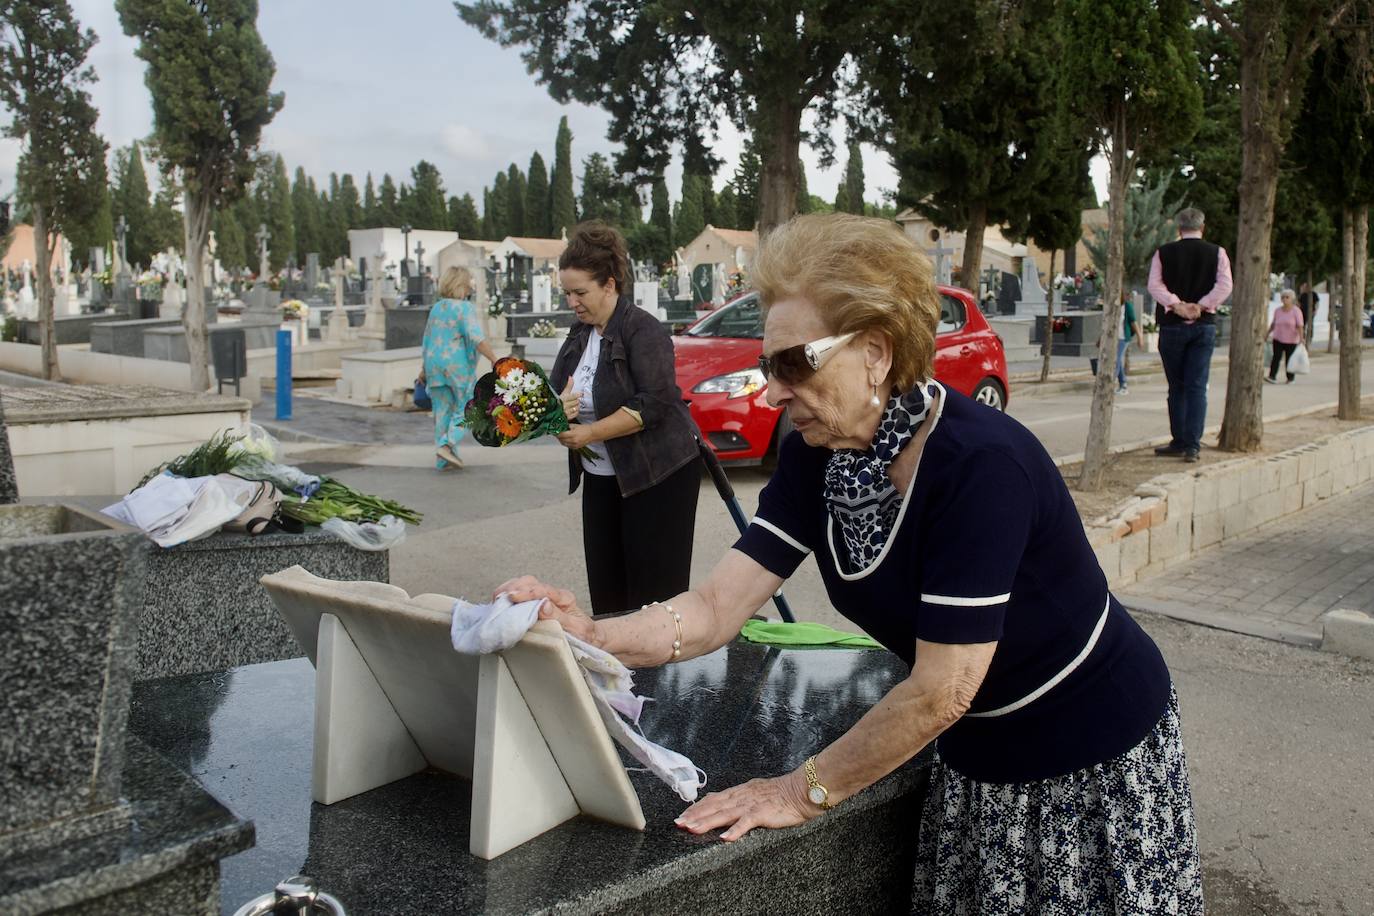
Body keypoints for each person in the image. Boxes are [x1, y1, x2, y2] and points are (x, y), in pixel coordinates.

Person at [505, 214, 1202, 914]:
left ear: (876, 351)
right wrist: (595, 633)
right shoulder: (820, 451)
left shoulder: (979, 466)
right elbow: (716, 609)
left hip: (1087, 755)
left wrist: (797, 791)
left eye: (793, 363)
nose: (773, 391)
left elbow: (941, 691)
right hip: (979, 759)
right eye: (764, 366)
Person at [549, 221, 702, 614]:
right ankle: (618, 674)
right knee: (608, 596)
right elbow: (552, 395)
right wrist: (557, 412)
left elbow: (653, 403)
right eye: (567, 293)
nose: (572, 302)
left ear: (610, 284)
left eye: (580, 292)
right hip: (602, 479)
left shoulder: (643, 330)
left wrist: (589, 433)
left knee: (653, 599)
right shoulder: (578, 335)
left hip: (657, 477)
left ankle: (656, 676)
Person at [1148, 207, 1233, 463]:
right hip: (1203, 324)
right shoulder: (1217, 252)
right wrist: (1202, 305)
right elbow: (1225, 284)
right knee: (1197, 387)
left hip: (1172, 325)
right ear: (1202, 227)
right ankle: (1193, 445)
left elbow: (1155, 284)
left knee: (1176, 387)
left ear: (1178, 229)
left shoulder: (1163, 252)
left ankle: (1179, 440)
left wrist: (1176, 305)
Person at [419, 266, 497, 470]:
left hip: (433, 365)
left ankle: (443, 460)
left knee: (442, 411)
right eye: (468, 283)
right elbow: (476, 337)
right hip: (456, 365)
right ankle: (447, 444)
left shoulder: (436, 308)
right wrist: (494, 358)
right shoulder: (464, 308)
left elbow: (427, 339)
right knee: (468, 407)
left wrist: (422, 369)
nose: (470, 287)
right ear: (460, 284)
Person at [1266, 289, 1305, 384]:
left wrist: (1301, 338)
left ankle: (1290, 378)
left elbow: (1300, 325)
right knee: (1276, 357)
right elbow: (1274, 323)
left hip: (1291, 339)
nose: (1284, 299)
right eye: (1283, 297)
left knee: (1289, 359)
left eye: (1287, 297)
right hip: (1278, 338)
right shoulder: (1278, 310)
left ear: (1292, 299)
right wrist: (1267, 334)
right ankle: (1272, 376)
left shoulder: (1296, 311)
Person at [1116, 291, 1145, 395]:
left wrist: (1140, 336)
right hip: (1113, 338)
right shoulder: (1112, 306)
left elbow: (1133, 322)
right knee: (1117, 361)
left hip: (1123, 337)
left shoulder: (1127, 307)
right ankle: (1122, 383)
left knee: (1117, 359)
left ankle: (1122, 384)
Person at [1297, 280, 1319, 345]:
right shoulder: (1302, 295)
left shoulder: (1313, 294)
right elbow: (1299, 303)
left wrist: (1315, 310)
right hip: (1302, 312)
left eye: (1306, 286)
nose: (1305, 288)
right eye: (1304, 286)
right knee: (1302, 325)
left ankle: (1310, 337)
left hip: (1311, 312)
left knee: (1310, 325)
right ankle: (1302, 337)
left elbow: (1317, 303)